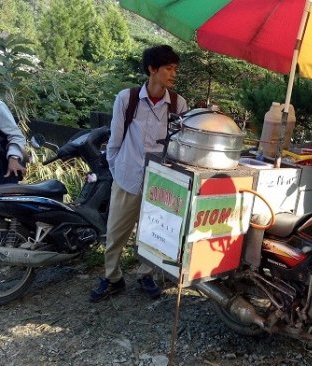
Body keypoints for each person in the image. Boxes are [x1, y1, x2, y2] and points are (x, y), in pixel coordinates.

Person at [90, 45, 188, 303]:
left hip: (160, 182)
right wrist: (117, 170)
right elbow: (114, 141)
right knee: (116, 232)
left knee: (155, 230)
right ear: (152, 69)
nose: (173, 74)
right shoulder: (127, 98)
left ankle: (146, 274)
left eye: (175, 69)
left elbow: (179, 146)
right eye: (168, 68)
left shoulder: (178, 104)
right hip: (128, 176)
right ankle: (112, 277)